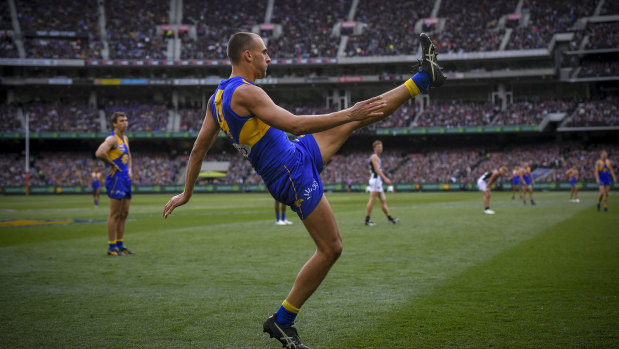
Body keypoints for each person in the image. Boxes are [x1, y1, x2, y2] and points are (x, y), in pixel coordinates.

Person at [163, 31, 445, 348]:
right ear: (248, 56)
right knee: (331, 248)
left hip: (294, 154)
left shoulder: (217, 97)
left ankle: (423, 78)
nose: (268, 57)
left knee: (356, 120)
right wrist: (348, 112)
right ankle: (282, 321)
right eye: (264, 51)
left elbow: (199, 149)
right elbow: (295, 124)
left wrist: (186, 193)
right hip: (290, 172)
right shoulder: (245, 93)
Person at [95, 111, 135, 256]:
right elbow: (99, 153)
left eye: (126, 120)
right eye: (121, 120)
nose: (125, 123)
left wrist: (130, 170)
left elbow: (129, 155)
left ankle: (120, 244)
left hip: (125, 178)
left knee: (124, 213)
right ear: (114, 124)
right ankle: (112, 247)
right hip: (116, 178)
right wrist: (111, 164)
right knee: (114, 214)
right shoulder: (112, 139)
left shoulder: (125, 139)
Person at [364, 140, 399, 226]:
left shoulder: (377, 157)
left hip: (378, 181)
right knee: (372, 200)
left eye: (381, 147)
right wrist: (385, 178)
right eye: (379, 147)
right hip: (376, 180)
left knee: (383, 200)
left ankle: (390, 219)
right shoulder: (374, 157)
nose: (380, 148)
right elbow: (376, 170)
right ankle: (367, 220)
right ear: (374, 148)